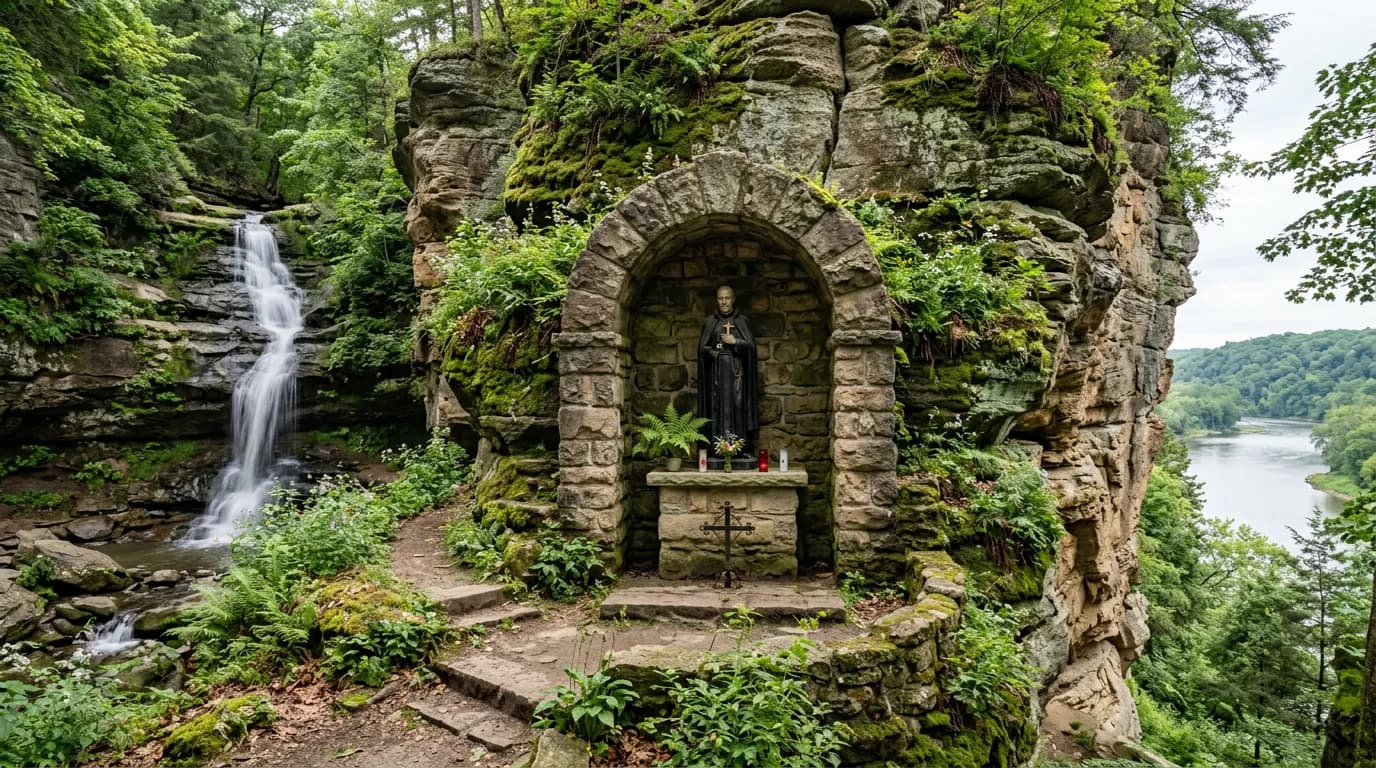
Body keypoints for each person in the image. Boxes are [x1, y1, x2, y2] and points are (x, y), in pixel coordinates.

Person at [696, 285, 759, 459]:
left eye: (727, 298)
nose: (724, 302)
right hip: (716, 375)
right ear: (717, 300)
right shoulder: (710, 322)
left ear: (733, 299)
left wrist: (735, 341)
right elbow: (702, 348)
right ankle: (716, 450)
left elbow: (751, 348)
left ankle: (740, 449)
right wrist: (713, 352)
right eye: (720, 298)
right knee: (716, 409)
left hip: (738, 374)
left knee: (738, 407)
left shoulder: (742, 321)